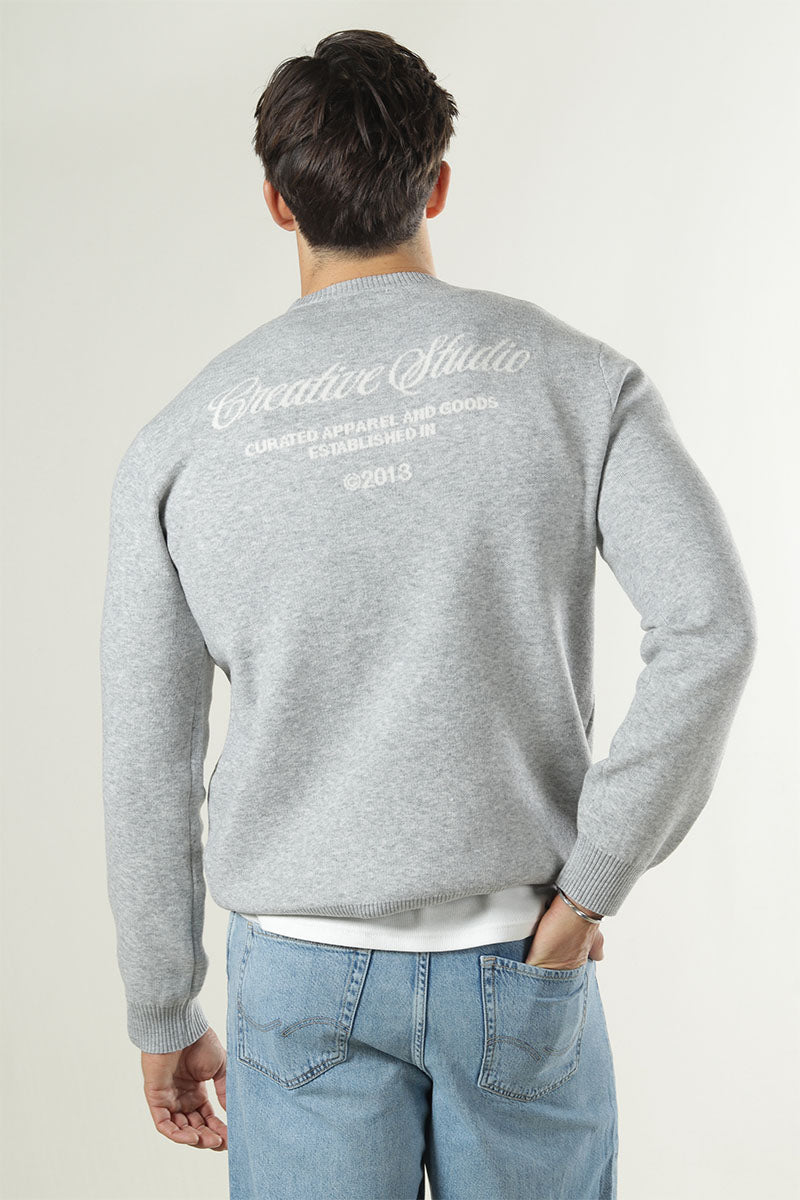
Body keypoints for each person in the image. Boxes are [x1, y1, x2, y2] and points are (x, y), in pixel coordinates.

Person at [99, 28, 757, 1200]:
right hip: (521, 958)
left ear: (276, 202)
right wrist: (590, 886)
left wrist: (162, 1005)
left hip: (297, 975)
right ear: (435, 185)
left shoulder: (180, 444)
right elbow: (710, 629)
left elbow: (146, 757)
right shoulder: (574, 381)